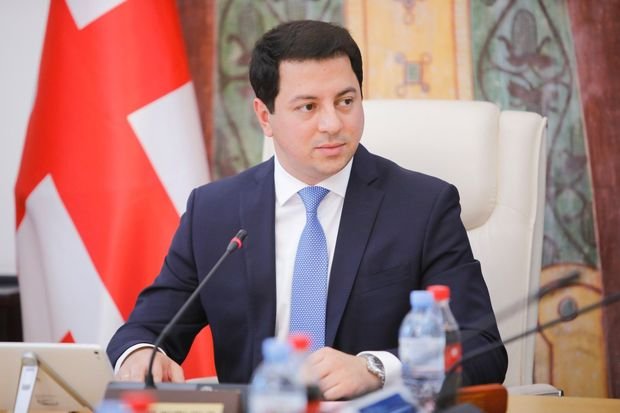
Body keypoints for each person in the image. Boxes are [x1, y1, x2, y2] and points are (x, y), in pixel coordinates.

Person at [107, 20, 507, 400]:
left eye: (345, 101)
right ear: (265, 117)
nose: (332, 123)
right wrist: (142, 354)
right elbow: (147, 329)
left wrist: (375, 369)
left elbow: (482, 348)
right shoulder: (214, 212)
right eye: (308, 107)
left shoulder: (422, 207)